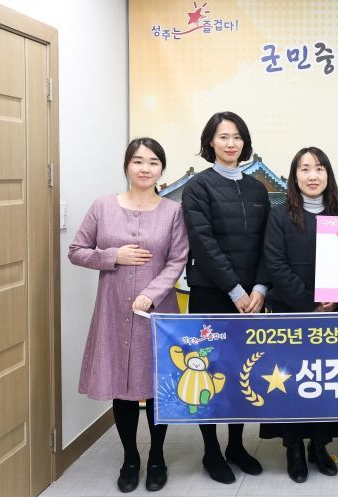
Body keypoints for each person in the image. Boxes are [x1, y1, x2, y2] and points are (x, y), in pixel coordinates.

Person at [69, 138, 188, 493]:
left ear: (161, 169)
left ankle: (157, 457)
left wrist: (152, 294)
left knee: (156, 387)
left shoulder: (173, 211)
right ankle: (130, 458)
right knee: (121, 389)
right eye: (138, 161)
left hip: (157, 312)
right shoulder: (103, 206)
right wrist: (113, 256)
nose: (145, 168)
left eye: (153, 162)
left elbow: (177, 259)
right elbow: (76, 250)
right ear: (126, 166)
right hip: (113, 310)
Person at [181, 111, 270, 484]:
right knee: (205, 371)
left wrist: (260, 288)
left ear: (244, 142)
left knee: (239, 371)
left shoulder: (257, 189)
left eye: (236, 137)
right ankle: (211, 450)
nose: (230, 143)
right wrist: (234, 290)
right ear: (210, 143)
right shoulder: (198, 187)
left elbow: (268, 244)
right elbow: (203, 242)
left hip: (252, 298)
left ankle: (236, 445)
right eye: (223, 137)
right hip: (212, 294)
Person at [259, 146, 338, 483]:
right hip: (290, 313)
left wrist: (335, 299)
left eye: (319, 168)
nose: (312, 176)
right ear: (294, 176)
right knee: (291, 382)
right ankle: (294, 448)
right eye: (304, 169)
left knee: (325, 382)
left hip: (332, 316)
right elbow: (275, 263)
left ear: (328, 174)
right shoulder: (279, 215)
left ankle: (320, 445)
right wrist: (309, 302)